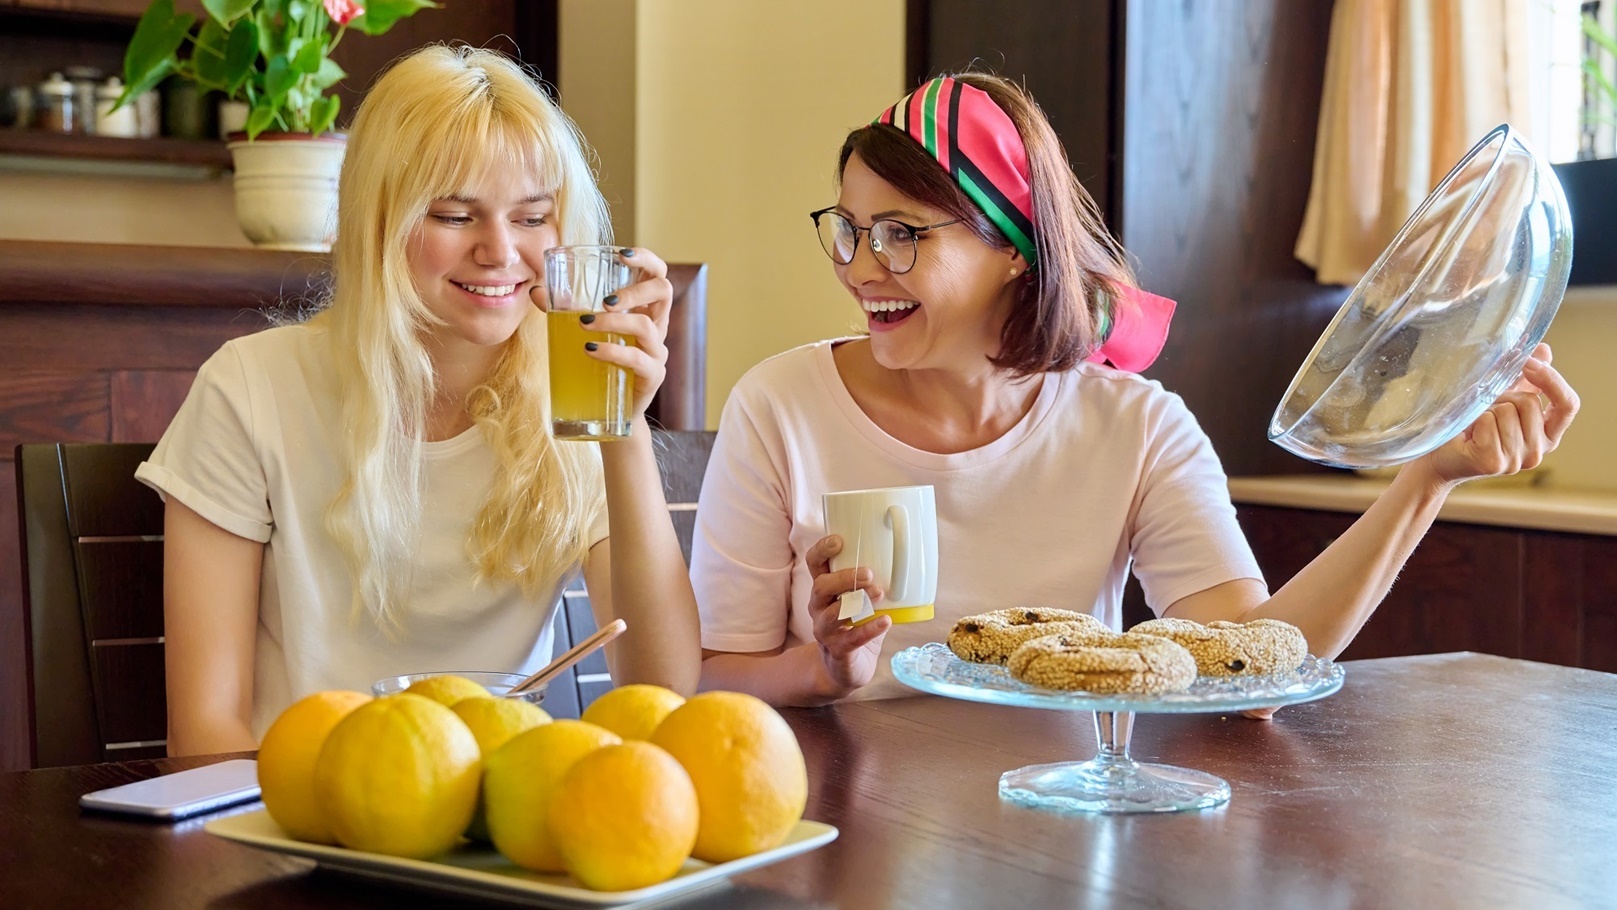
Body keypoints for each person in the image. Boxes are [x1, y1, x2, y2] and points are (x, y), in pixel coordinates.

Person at [690, 73, 1578, 707]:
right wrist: (825, 672)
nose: (860, 268)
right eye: (846, 230)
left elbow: (1249, 670)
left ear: (1010, 246)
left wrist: (1426, 480)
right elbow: (706, 674)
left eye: (899, 234)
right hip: (844, 820)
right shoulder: (781, 406)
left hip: (1071, 829)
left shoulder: (1134, 426)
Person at [137, 46, 700, 756]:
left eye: (532, 218)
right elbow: (202, 733)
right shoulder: (251, 389)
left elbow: (665, 693)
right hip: (292, 816)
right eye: (455, 215)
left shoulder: (572, 396)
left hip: (491, 826)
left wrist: (625, 428)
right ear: (380, 222)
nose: (500, 252)